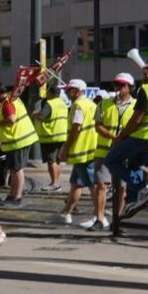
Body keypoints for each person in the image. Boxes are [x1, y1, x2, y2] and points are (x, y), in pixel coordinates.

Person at [105, 54, 148, 235]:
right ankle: (134, 199)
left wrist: (121, 136)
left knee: (112, 160)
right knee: (134, 164)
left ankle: (143, 189)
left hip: (143, 136)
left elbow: (136, 118)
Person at [88, 73, 137, 230]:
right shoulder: (104, 104)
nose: (118, 88)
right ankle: (100, 219)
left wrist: (123, 139)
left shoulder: (136, 105)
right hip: (104, 152)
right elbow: (98, 125)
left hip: (125, 153)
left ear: (130, 87)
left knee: (122, 188)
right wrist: (112, 136)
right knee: (101, 186)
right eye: (116, 85)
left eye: (122, 85)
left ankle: (117, 219)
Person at [53, 78, 100, 227]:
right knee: (76, 184)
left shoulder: (78, 105)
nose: (67, 92)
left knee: (92, 185)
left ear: (79, 91)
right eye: (67, 90)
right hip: (89, 148)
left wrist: (65, 148)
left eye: (70, 90)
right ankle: (66, 213)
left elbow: (76, 128)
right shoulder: (91, 104)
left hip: (82, 150)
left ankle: (98, 217)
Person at [0, 84, 36, 204]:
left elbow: (11, 119)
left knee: (17, 169)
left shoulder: (7, 103)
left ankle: (17, 196)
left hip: (18, 140)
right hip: (19, 140)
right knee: (14, 169)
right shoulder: (15, 100)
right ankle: (12, 195)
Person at [34, 80, 69, 194]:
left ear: (51, 94)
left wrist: (35, 114)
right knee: (57, 161)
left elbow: (42, 116)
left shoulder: (50, 103)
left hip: (50, 136)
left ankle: (54, 183)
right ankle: (57, 183)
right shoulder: (63, 103)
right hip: (61, 135)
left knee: (51, 161)